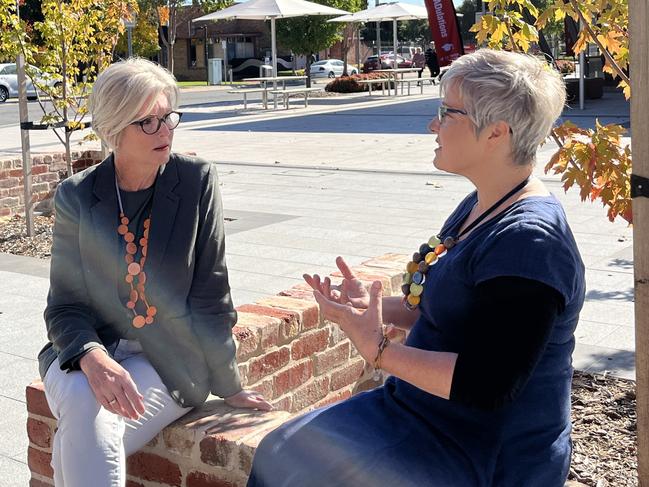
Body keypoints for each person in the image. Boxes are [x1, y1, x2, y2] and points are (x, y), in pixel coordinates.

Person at [247, 49, 585, 487]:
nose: (433, 125)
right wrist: (371, 308)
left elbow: (487, 384)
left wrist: (379, 350)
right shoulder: (482, 204)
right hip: (420, 412)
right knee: (280, 449)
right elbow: (450, 313)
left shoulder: (530, 244)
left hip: (479, 450)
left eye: (447, 113)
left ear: (496, 133)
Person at [38, 57, 271, 487]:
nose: (165, 131)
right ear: (113, 129)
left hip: (165, 357)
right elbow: (64, 306)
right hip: (88, 348)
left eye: (168, 117)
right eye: (148, 122)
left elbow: (211, 290)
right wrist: (92, 357)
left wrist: (228, 383)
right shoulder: (76, 195)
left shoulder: (195, 180)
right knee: (83, 405)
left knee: (86, 430)